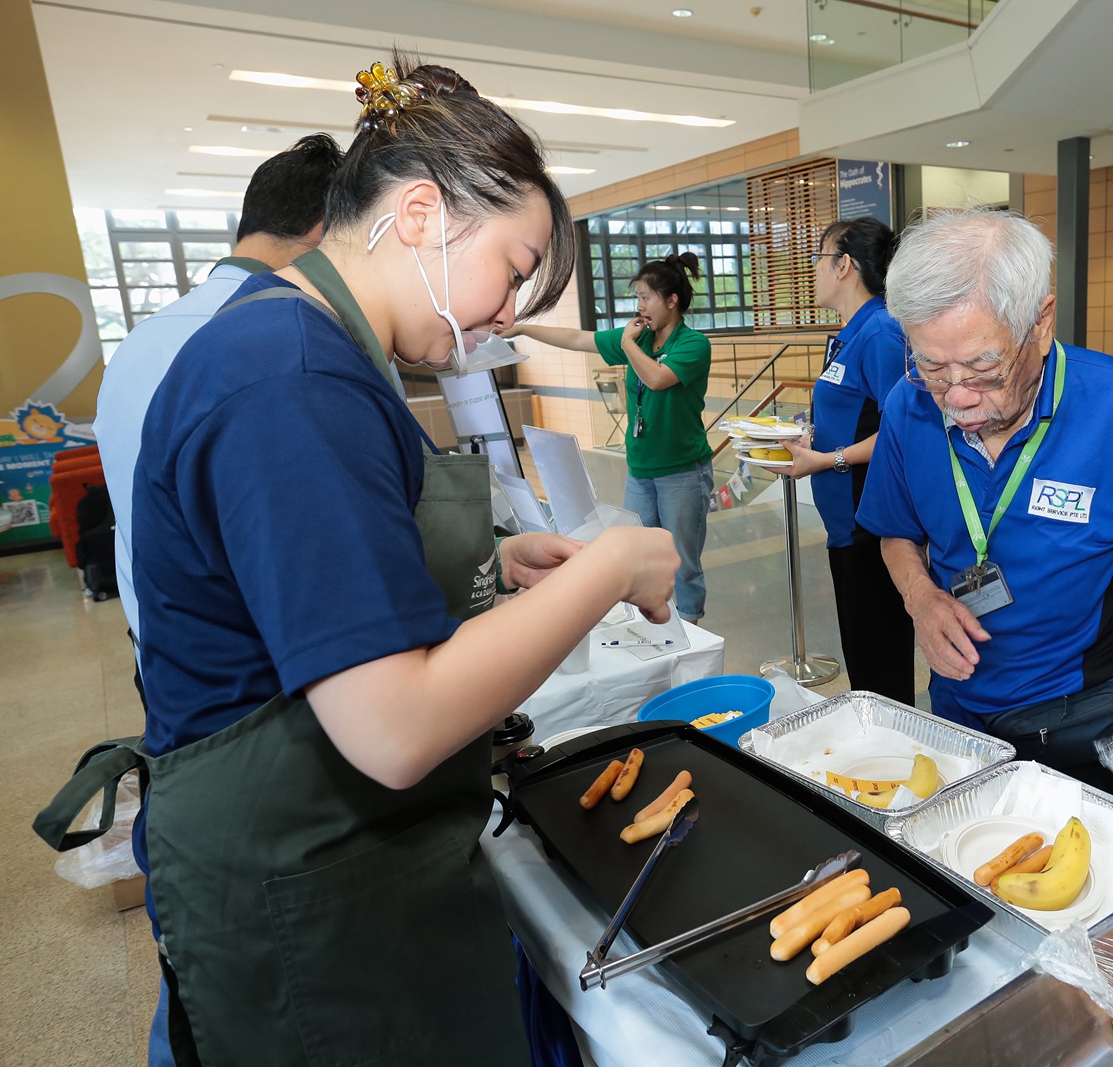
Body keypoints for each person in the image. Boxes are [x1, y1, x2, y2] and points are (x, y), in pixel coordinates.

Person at [36, 54, 679, 1065]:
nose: (508, 311)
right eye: (512, 266)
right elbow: (391, 726)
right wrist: (611, 563)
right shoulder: (288, 377)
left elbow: (316, 563)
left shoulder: (322, 349)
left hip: (350, 861)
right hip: (304, 889)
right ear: (420, 214)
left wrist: (496, 561)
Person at [856, 208, 1113, 808]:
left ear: (1041, 324)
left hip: (1084, 719)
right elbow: (895, 532)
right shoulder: (906, 406)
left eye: (983, 365)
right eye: (933, 367)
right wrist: (921, 598)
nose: (959, 397)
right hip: (958, 711)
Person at [91, 132, 342, 1067]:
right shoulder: (273, 348)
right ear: (324, 231)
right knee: (246, 967)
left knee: (195, 956)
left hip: (168, 668)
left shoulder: (146, 341)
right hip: (252, 710)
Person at [96, 133, 342, 668]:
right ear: (324, 233)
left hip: (161, 655)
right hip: (263, 678)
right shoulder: (289, 342)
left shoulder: (139, 342)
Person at [508, 254, 713, 621]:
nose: (640, 306)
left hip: (682, 471)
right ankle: (654, 623)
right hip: (641, 469)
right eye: (637, 297)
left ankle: (691, 627)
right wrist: (523, 329)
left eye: (647, 297)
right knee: (638, 551)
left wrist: (630, 344)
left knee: (682, 559)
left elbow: (656, 378)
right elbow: (575, 338)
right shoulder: (640, 337)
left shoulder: (693, 344)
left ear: (672, 301)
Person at [784, 217, 915, 704]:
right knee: (865, 659)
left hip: (870, 525)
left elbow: (900, 430)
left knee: (879, 667)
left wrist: (825, 460)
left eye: (819, 258)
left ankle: (894, 762)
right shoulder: (851, 332)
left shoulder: (880, 330)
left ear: (844, 266)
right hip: (846, 526)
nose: (814, 270)